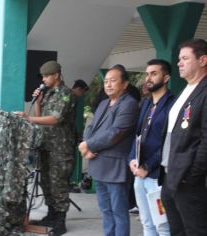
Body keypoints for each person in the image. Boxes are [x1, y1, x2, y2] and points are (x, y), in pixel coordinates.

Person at [15, 61, 76, 236]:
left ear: (56, 75)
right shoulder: (48, 94)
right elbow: (40, 118)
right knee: (46, 183)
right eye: (43, 76)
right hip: (46, 146)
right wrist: (38, 103)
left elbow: (55, 119)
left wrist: (28, 118)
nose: (44, 79)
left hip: (60, 149)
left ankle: (61, 221)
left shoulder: (66, 94)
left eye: (47, 76)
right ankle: (51, 215)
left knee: (58, 185)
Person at [78, 64, 139, 236]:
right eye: (106, 81)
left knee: (119, 212)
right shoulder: (104, 103)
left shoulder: (129, 104)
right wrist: (86, 145)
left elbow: (116, 133)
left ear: (125, 84)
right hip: (98, 164)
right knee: (105, 210)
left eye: (113, 81)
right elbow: (91, 127)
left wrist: (89, 146)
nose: (108, 85)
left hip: (115, 167)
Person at [161, 38, 207, 235]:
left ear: (203, 60)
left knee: (194, 230)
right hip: (170, 176)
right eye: (179, 59)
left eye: (185, 58)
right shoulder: (185, 91)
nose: (179, 63)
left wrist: (192, 174)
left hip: (187, 179)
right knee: (176, 229)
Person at [129, 59, 174, 236]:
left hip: (157, 178)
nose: (149, 78)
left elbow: (168, 144)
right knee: (147, 223)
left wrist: (148, 167)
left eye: (154, 74)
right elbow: (137, 135)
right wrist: (132, 159)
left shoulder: (172, 104)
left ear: (166, 77)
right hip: (139, 176)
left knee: (162, 225)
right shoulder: (146, 103)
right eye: (147, 74)